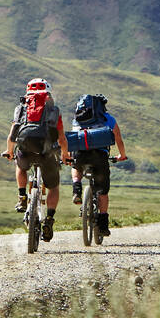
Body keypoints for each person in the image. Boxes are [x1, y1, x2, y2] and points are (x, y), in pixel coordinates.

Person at [4, 78, 70, 241]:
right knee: (53, 187)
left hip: (26, 148)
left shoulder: (21, 108)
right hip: (47, 152)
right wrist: (65, 154)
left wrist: (9, 151)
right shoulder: (53, 110)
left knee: (20, 165)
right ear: (47, 93)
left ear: (28, 93)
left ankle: (22, 197)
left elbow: (13, 133)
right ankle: (49, 219)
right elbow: (61, 137)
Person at [68, 95, 127, 237]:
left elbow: (73, 139)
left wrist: (70, 157)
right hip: (100, 157)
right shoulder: (108, 119)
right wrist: (122, 155)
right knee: (103, 191)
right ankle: (103, 224)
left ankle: (77, 188)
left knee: (76, 167)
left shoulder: (78, 118)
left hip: (81, 155)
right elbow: (118, 138)